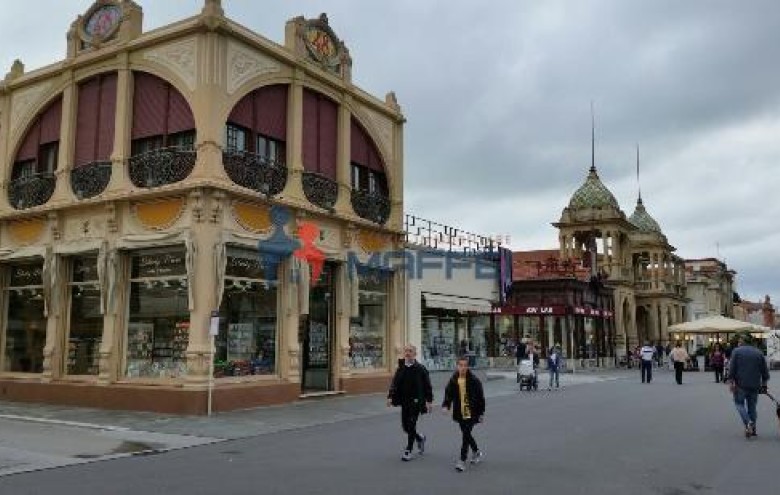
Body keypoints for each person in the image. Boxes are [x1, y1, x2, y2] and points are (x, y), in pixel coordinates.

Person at [387, 344, 433, 461]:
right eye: (406, 351)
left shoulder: (420, 369)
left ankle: (408, 450)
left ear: (415, 354)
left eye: (410, 351)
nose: (408, 353)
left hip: (417, 402)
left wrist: (429, 401)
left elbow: (428, 386)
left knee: (412, 425)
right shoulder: (401, 368)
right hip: (404, 401)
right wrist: (390, 397)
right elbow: (395, 383)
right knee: (406, 427)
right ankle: (420, 438)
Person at [442, 356, 486, 472]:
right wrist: (446, 405)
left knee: (465, 435)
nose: (463, 368)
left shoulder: (474, 380)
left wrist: (481, 413)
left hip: (472, 412)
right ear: (457, 366)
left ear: (468, 367)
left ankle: (462, 460)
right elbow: (448, 394)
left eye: (465, 365)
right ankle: (476, 452)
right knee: (466, 434)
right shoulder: (454, 379)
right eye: (460, 365)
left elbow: (481, 398)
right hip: (460, 412)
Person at [727, 335, 770, 438]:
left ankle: (748, 422)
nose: (738, 342)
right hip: (755, 385)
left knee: (738, 403)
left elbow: (732, 368)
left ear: (742, 341)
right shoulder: (759, 352)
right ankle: (753, 429)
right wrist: (764, 384)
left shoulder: (736, 351)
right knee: (752, 407)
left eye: (739, 341)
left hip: (740, 384)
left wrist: (731, 380)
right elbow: (764, 370)